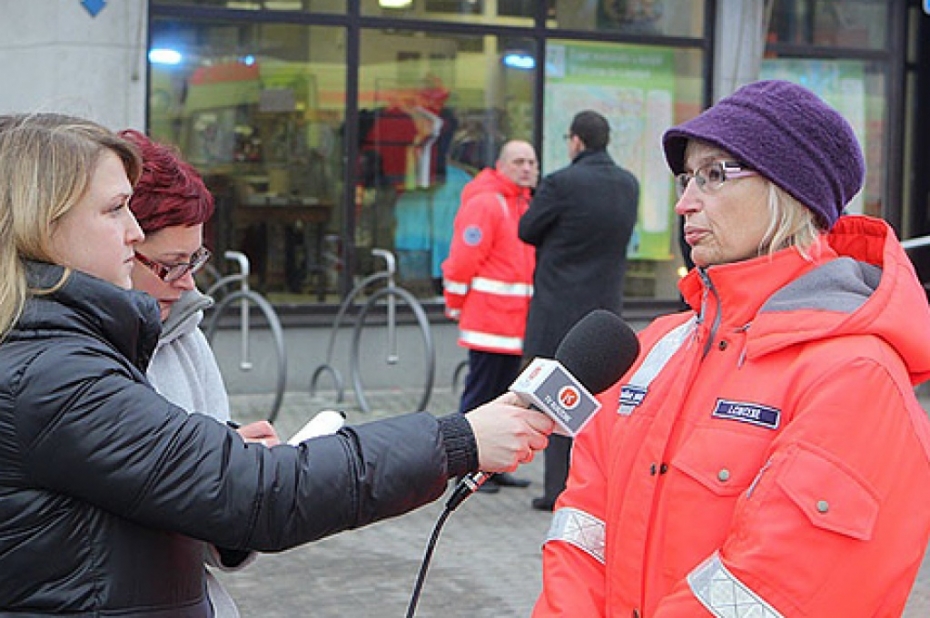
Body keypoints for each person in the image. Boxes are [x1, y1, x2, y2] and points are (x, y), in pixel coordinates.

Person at [0, 112, 554, 616]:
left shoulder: (62, 352)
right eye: (115, 209)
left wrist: (217, 451)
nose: (134, 230)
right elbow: (263, 495)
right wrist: (455, 441)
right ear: (42, 223)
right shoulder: (53, 376)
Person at [534, 80, 930, 616]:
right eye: (686, 178)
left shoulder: (857, 377)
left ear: (788, 192)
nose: (684, 203)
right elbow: (581, 530)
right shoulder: (654, 349)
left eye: (714, 175)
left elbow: (777, 591)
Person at [119, 128, 278, 617]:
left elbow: (209, 538)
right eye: (170, 266)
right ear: (118, 243)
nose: (187, 284)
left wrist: (242, 478)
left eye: (195, 260)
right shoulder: (70, 357)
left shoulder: (186, 333)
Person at [518, 110, 639, 512]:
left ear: (576, 141)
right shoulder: (628, 185)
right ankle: (590, 487)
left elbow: (527, 230)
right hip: (604, 309)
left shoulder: (561, 182)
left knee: (556, 400)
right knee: (595, 404)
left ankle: (558, 489)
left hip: (558, 308)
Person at [442, 139, 538, 492]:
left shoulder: (524, 204)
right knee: (479, 396)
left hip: (513, 323)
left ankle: (495, 468)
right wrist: (454, 300)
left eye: (530, 161)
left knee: (505, 398)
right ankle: (464, 467)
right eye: (518, 162)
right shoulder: (487, 202)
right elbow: (463, 258)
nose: (526, 168)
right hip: (489, 322)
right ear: (500, 165)